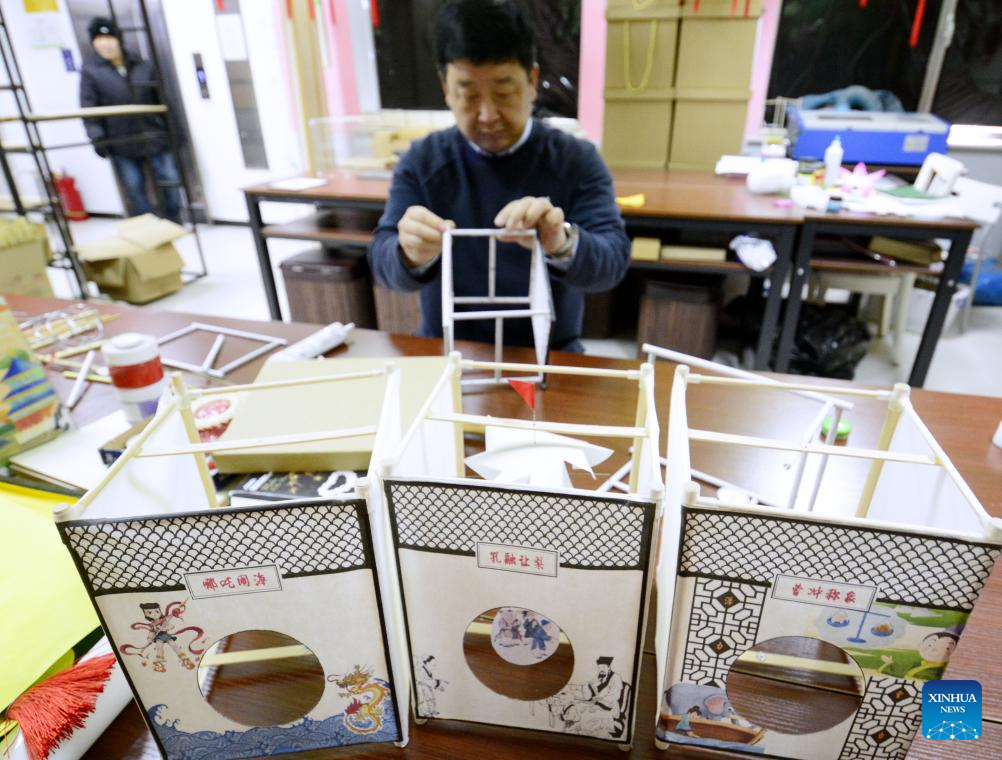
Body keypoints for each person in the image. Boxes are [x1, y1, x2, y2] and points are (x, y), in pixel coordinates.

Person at [368, 0, 630, 352]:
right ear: (445, 87)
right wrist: (407, 253)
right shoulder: (422, 162)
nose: (488, 115)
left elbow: (612, 262)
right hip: (448, 349)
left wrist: (561, 241)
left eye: (504, 92)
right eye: (468, 94)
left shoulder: (576, 160)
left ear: (533, 81)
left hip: (549, 354)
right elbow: (383, 261)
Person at [79, 17, 182, 223]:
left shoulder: (142, 65)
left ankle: (173, 221)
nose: (105, 43)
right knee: (134, 187)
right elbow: (89, 109)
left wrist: (176, 133)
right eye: (99, 39)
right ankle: (148, 227)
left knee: (170, 179)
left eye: (109, 37)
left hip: (154, 135)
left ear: (118, 39)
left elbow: (164, 101)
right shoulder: (91, 72)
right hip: (120, 140)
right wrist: (98, 139)